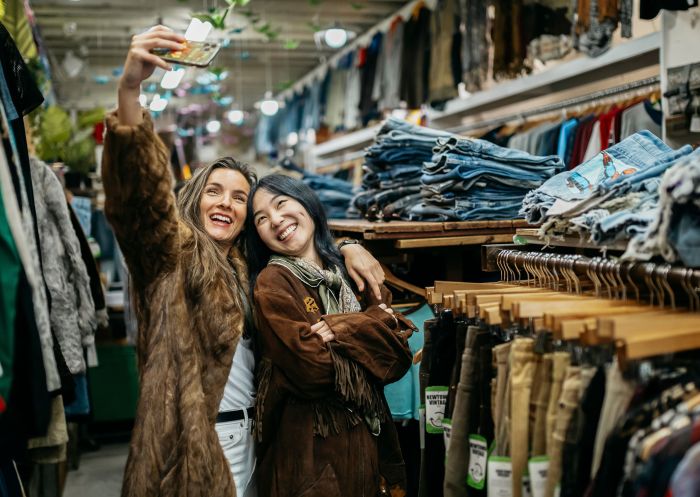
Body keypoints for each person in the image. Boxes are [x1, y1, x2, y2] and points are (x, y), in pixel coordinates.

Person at [104, 26, 386, 497]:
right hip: (195, 449)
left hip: (259, 441)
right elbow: (142, 205)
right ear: (193, 199)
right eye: (214, 191)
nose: (227, 204)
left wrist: (348, 243)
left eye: (241, 199)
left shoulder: (248, 269)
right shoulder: (172, 257)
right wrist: (131, 89)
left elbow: (298, 239)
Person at [246, 174, 415, 497]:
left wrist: (342, 328)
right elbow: (312, 370)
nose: (276, 220)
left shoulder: (349, 269)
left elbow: (397, 355)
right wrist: (373, 328)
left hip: (373, 448)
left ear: (307, 203)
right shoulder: (273, 282)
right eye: (262, 219)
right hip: (313, 460)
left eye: (281, 204)